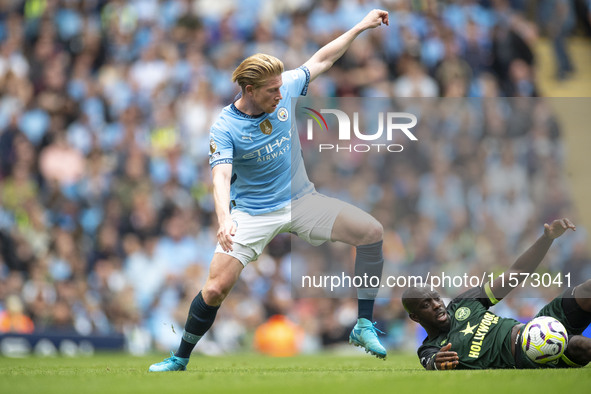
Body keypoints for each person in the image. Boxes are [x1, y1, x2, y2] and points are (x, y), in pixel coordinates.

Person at [148, 9, 390, 372]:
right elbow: (220, 178)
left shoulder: (286, 86)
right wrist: (225, 219)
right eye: (272, 91)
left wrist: (360, 26)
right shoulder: (224, 127)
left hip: (302, 201)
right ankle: (180, 357)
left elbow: (322, 58)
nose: (282, 94)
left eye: (281, 87)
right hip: (252, 213)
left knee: (372, 232)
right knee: (214, 289)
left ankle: (363, 324)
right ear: (249, 90)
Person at [402, 218, 591, 370]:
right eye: (426, 304)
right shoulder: (430, 347)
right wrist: (436, 362)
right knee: (581, 346)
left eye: (436, 297)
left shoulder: (463, 303)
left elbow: (516, 272)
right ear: (415, 316)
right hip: (530, 354)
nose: (436, 304)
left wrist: (547, 238)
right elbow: (431, 360)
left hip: (537, 326)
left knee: (586, 290)